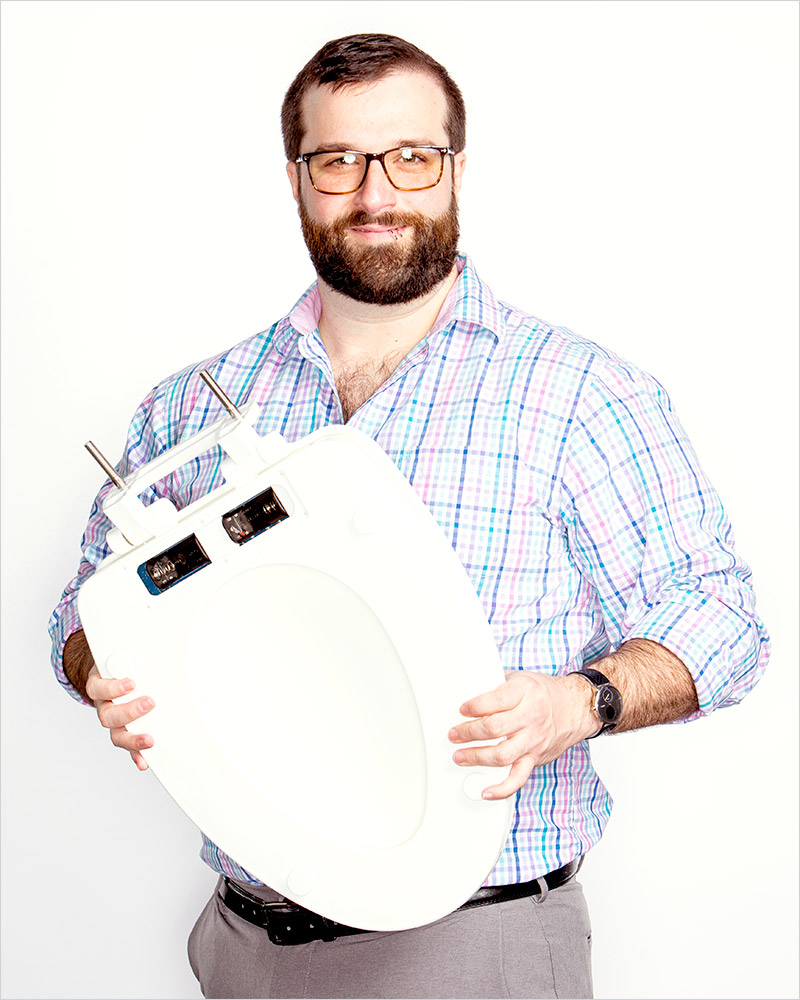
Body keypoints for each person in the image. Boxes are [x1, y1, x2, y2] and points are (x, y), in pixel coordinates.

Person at [49, 32, 769, 1000]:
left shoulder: (577, 393)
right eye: (338, 160)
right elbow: (83, 616)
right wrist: (105, 673)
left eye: (410, 157)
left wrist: (576, 700)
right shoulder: (195, 403)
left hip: (473, 941)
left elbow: (719, 620)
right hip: (240, 935)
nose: (375, 194)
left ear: (455, 168)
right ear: (297, 177)